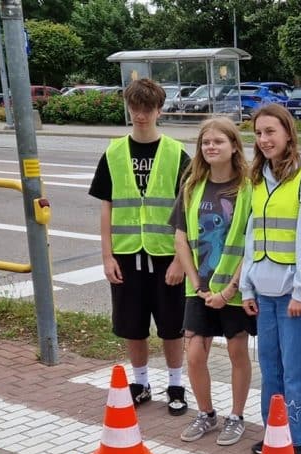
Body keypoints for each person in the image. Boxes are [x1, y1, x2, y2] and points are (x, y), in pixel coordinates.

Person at [89, 78, 191, 416]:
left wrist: (181, 260)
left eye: (147, 109)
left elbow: (188, 210)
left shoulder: (177, 154)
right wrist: (107, 256)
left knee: (172, 325)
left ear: (159, 110)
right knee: (132, 325)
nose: (141, 115)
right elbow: (107, 206)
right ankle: (141, 382)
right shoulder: (114, 152)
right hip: (127, 254)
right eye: (135, 108)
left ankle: (176, 383)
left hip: (166, 256)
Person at [240, 104, 301, 454]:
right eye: (258, 133)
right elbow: (250, 236)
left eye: (271, 131)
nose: (264, 139)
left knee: (298, 369)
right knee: (271, 367)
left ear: (288, 133)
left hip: (293, 296)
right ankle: (276, 429)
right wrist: (246, 287)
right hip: (264, 292)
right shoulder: (257, 180)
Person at [171, 117, 255, 446]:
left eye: (218, 141)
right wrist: (196, 282)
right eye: (206, 142)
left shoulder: (247, 188)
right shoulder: (193, 185)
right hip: (199, 287)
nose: (211, 147)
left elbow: (251, 243)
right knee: (193, 354)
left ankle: (236, 416)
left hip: (234, 289)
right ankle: (206, 414)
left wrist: (230, 288)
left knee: (237, 352)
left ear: (234, 146)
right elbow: (181, 238)